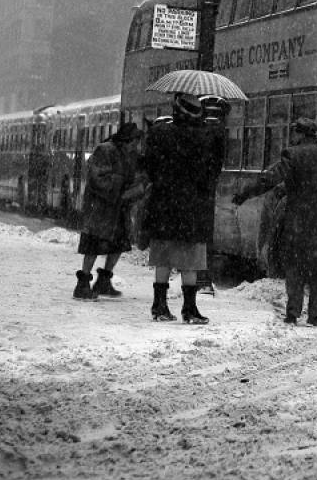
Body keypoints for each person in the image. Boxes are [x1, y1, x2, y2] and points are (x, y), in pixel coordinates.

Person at [235, 117, 317, 327]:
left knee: (295, 267)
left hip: (296, 222)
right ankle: (315, 315)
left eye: (294, 132)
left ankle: (293, 312)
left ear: (300, 134)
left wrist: (245, 194)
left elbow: (269, 179)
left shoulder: (292, 155)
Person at [141, 94, 225, 324]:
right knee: (191, 259)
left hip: (164, 205)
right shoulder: (208, 136)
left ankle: (159, 305)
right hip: (194, 207)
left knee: (163, 258)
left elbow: (149, 166)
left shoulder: (160, 133)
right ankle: (189, 309)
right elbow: (214, 169)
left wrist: (163, 182)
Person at [73, 122, 144, 301]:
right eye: (134, 142)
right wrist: (120, 186)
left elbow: (131, 177)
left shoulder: (130, 155)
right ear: (126, 140)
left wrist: (135, 187)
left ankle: (103, 281)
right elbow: (97, 179)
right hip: (100, 208)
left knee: (118, 244)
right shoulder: (105, 150)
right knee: (94, 244)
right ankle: (82, 285)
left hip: (118, 208)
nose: (136, 146)